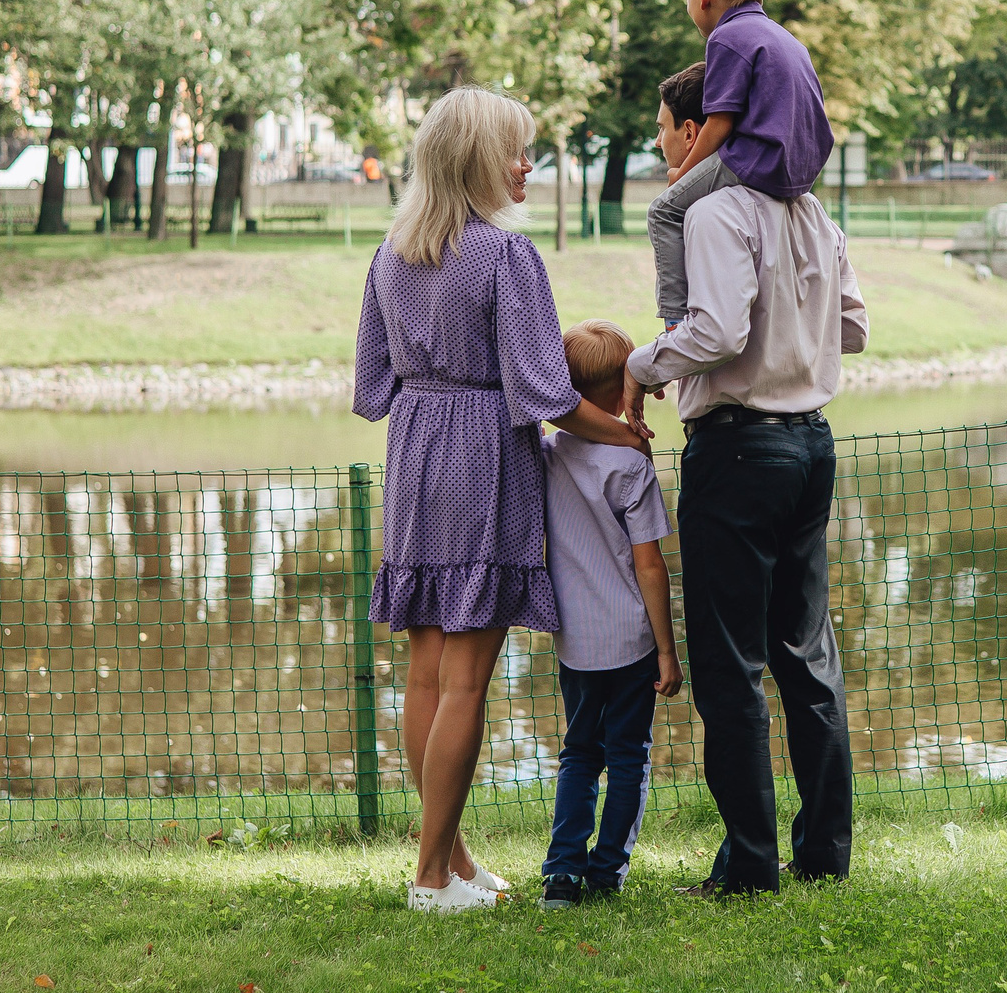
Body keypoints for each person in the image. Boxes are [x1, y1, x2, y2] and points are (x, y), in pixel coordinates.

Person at [353, 87, 649, 915]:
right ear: (481, 159)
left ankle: (450, 859)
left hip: (413, 453)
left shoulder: (390, 253)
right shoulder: (504, 257)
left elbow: (375, 383)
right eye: (517, 151)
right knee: (467, 681)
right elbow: (546, 391)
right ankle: (426, 877)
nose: (528, 165)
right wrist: (625, 434)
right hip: (481, 456)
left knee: (423, 674)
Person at [626, 60, 869, 897]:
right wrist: (796, 337)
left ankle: (750, 869)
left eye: (664, 129)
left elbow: (718, 331)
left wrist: (640, 362)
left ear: (699, 131)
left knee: (730, 667)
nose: (661, 145)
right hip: (813, 445)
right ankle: (824, 854)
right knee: (807, 653)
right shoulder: (813, 212)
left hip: (736, 449)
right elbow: (856, 326)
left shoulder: (715, 211)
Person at [539, 319, 683, 911]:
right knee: (629, 758)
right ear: (622, 387)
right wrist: (668, 649)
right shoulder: (631, 466)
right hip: (629, 639)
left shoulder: (547, 455)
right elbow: (650, 566)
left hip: (574, 636)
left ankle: (562, 875)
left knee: (578, 753)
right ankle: (608, 871)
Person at [646, 0, 833, 330]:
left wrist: (683, 174)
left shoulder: (727, 39)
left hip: (758, 160)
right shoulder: (785, 38)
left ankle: (676, 322)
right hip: (799, 171)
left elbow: (719, 124)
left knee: (663, 211)